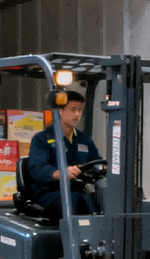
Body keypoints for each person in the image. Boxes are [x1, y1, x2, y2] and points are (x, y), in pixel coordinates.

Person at [27, 90, 101, 221]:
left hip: (78, 190)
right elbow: (37, 169)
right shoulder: (42, 138)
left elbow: (96, 161)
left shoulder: (84, 139)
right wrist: (61, 173)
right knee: (76, 200)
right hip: (49, 193)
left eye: (80, 110)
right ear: (60, 111)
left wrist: (103, 168)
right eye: (73, 109)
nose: (77, 114)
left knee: (103, 198)